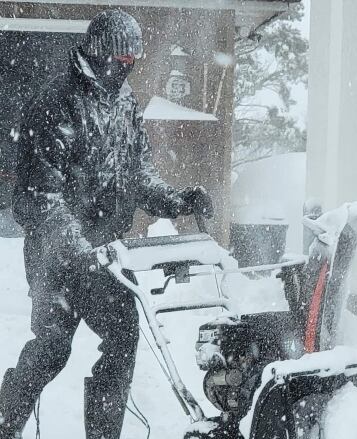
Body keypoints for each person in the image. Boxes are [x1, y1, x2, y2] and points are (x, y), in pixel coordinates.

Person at [0, 10, 214, 439]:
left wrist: (177, 201)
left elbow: (138, 175)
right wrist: (79, 250)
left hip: (106, 256)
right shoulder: (56, 103)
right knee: (52, 349)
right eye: (121, 61)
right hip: (56, 257)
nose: (127, 68)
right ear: (99, 55)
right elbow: (42, 197)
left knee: (122, 339)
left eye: (132, 61)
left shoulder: (122, 103)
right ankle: (5, 421)